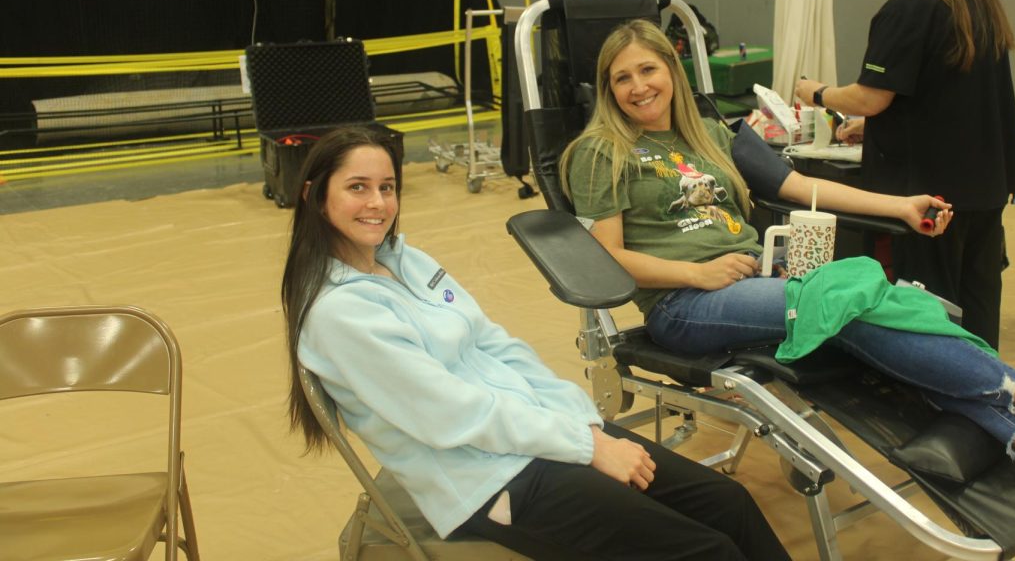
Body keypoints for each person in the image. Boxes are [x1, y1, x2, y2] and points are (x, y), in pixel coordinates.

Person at [561, 20, 1015, 511]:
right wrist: (696, 274)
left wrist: (901, 206)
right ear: (606, 88)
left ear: (671, 69)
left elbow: (799, 184)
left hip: (758, 281)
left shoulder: (712, 133)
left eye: (648, 69)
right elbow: (608, 259)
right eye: (621, 78)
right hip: (683, 307)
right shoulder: (599, 152)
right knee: (846, 298)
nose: (638, 87)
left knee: (894, 303)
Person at [281, 126, 791, 561]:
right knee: (707, 551)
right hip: (488, 479)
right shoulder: (338, 314)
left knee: (729, 503)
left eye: (387, 187)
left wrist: (583, 421)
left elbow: (496, 345)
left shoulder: (403, 260)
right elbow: (452, 413)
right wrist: (585, 444)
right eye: (357, 187)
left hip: (541, 436)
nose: (377, 204)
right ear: (314, 196)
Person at [794, 0, 1015, 350]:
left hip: (933, 190)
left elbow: (869, 96)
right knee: (979, 298)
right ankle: (984, 390)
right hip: (986, 182)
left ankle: (934, 397)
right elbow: (949, 90)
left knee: (930, 303)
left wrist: (817, 92)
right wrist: (883, 123)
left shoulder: (912, 6)